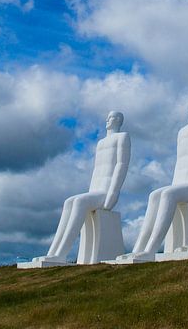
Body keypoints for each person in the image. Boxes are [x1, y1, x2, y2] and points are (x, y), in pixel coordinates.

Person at [115, 97, 188, 262]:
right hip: (180, 182)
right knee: (154, 195)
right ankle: (139, 248)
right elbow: (180, 161)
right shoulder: (183, 131)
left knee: (167, 195)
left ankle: (151, 249)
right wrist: (174, 183)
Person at [33, 111, 131, 263]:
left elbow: (121, 165)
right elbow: (96, 170)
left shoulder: (122, 137)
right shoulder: (100, 143)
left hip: (105, 192)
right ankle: (53, 251)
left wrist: (114, 192)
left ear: (118, 120)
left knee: (78, 202)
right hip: (95, 189)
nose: (107, 119)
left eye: (110, 117)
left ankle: (61, 254)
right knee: (69, 202)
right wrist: (90, 191)